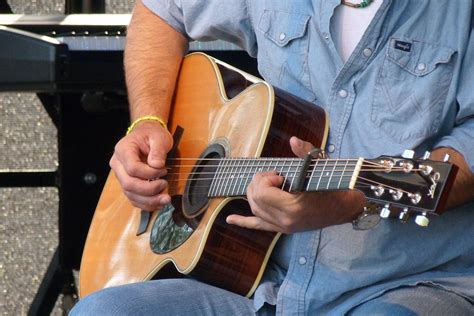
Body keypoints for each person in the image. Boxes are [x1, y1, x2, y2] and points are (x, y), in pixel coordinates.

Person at [71, 0, 474, 314]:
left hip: (408, 284)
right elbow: (160, 11)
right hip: (263, 286)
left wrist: (350, 202)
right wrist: (147, 120)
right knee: (103, 310)